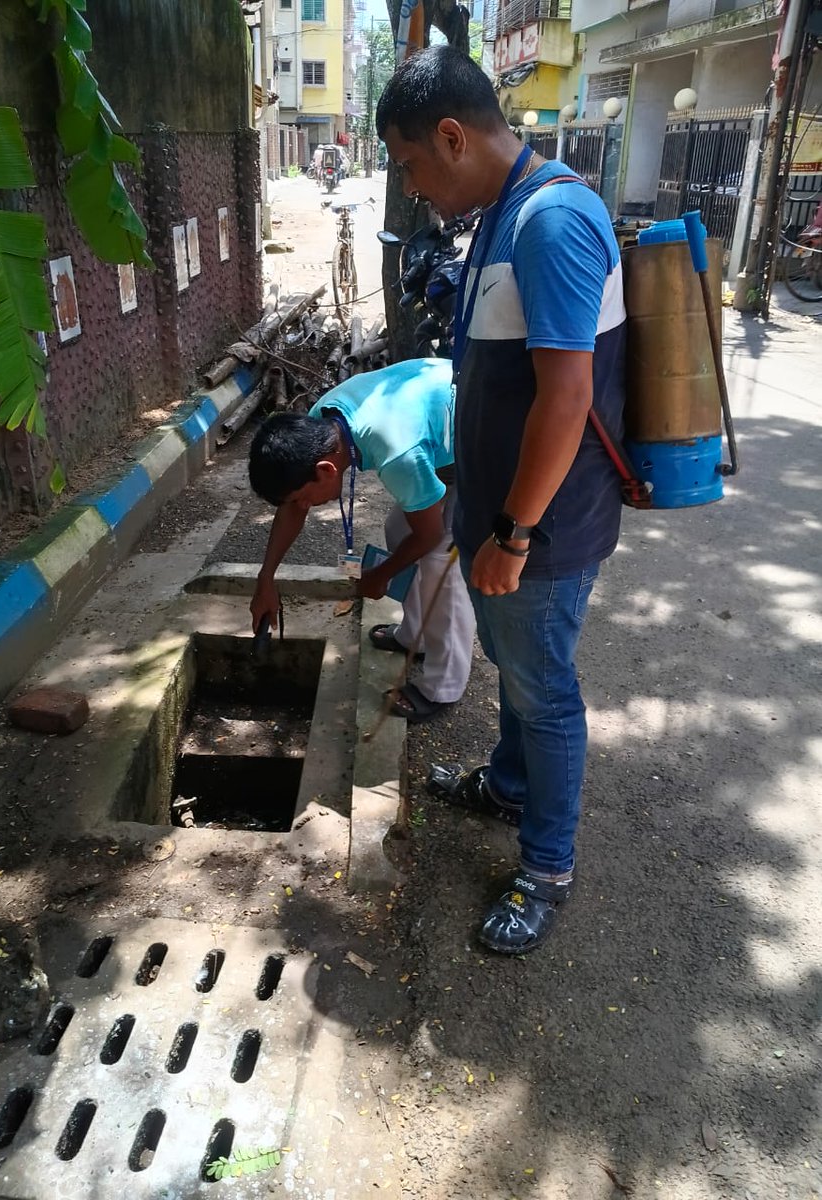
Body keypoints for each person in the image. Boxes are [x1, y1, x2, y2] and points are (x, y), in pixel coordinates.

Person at [376, 46, 626, 955]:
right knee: (519, 678)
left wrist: (515, 534)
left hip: (545, 529)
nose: (413, 188)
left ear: (452, 136)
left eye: (411, 164)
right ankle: (510, 787)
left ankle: (546, 870)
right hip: (502, 515)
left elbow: (567, 397)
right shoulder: (501, 216)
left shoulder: (552, 221)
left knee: (544, 692)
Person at [248, 357, 475, 723]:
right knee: (400, 530)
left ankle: (443, 686)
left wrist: (380, 575)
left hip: (479, 442)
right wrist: (265, 578)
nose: (303, 506)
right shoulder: (322, 422)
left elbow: (430, 534)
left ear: (325, 470)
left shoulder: (397, 452)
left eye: (303, 497)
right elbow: (292, 509)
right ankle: (413, 635)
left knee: (440, 560)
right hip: (436, 423)